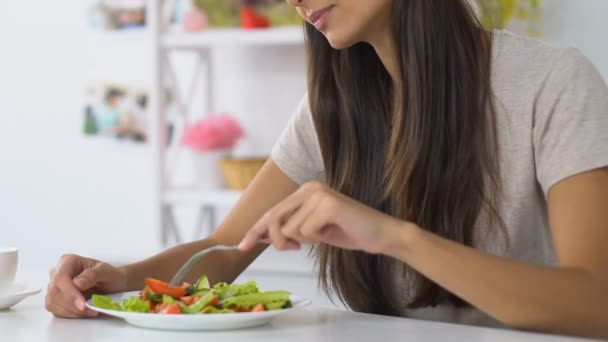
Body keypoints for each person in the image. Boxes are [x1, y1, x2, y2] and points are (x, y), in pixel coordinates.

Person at [46, 0, 608, 338]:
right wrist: (115, 281)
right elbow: (225, 246)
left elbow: (597, 303)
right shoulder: (336, 107)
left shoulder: (551, 83)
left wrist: (395, 237)